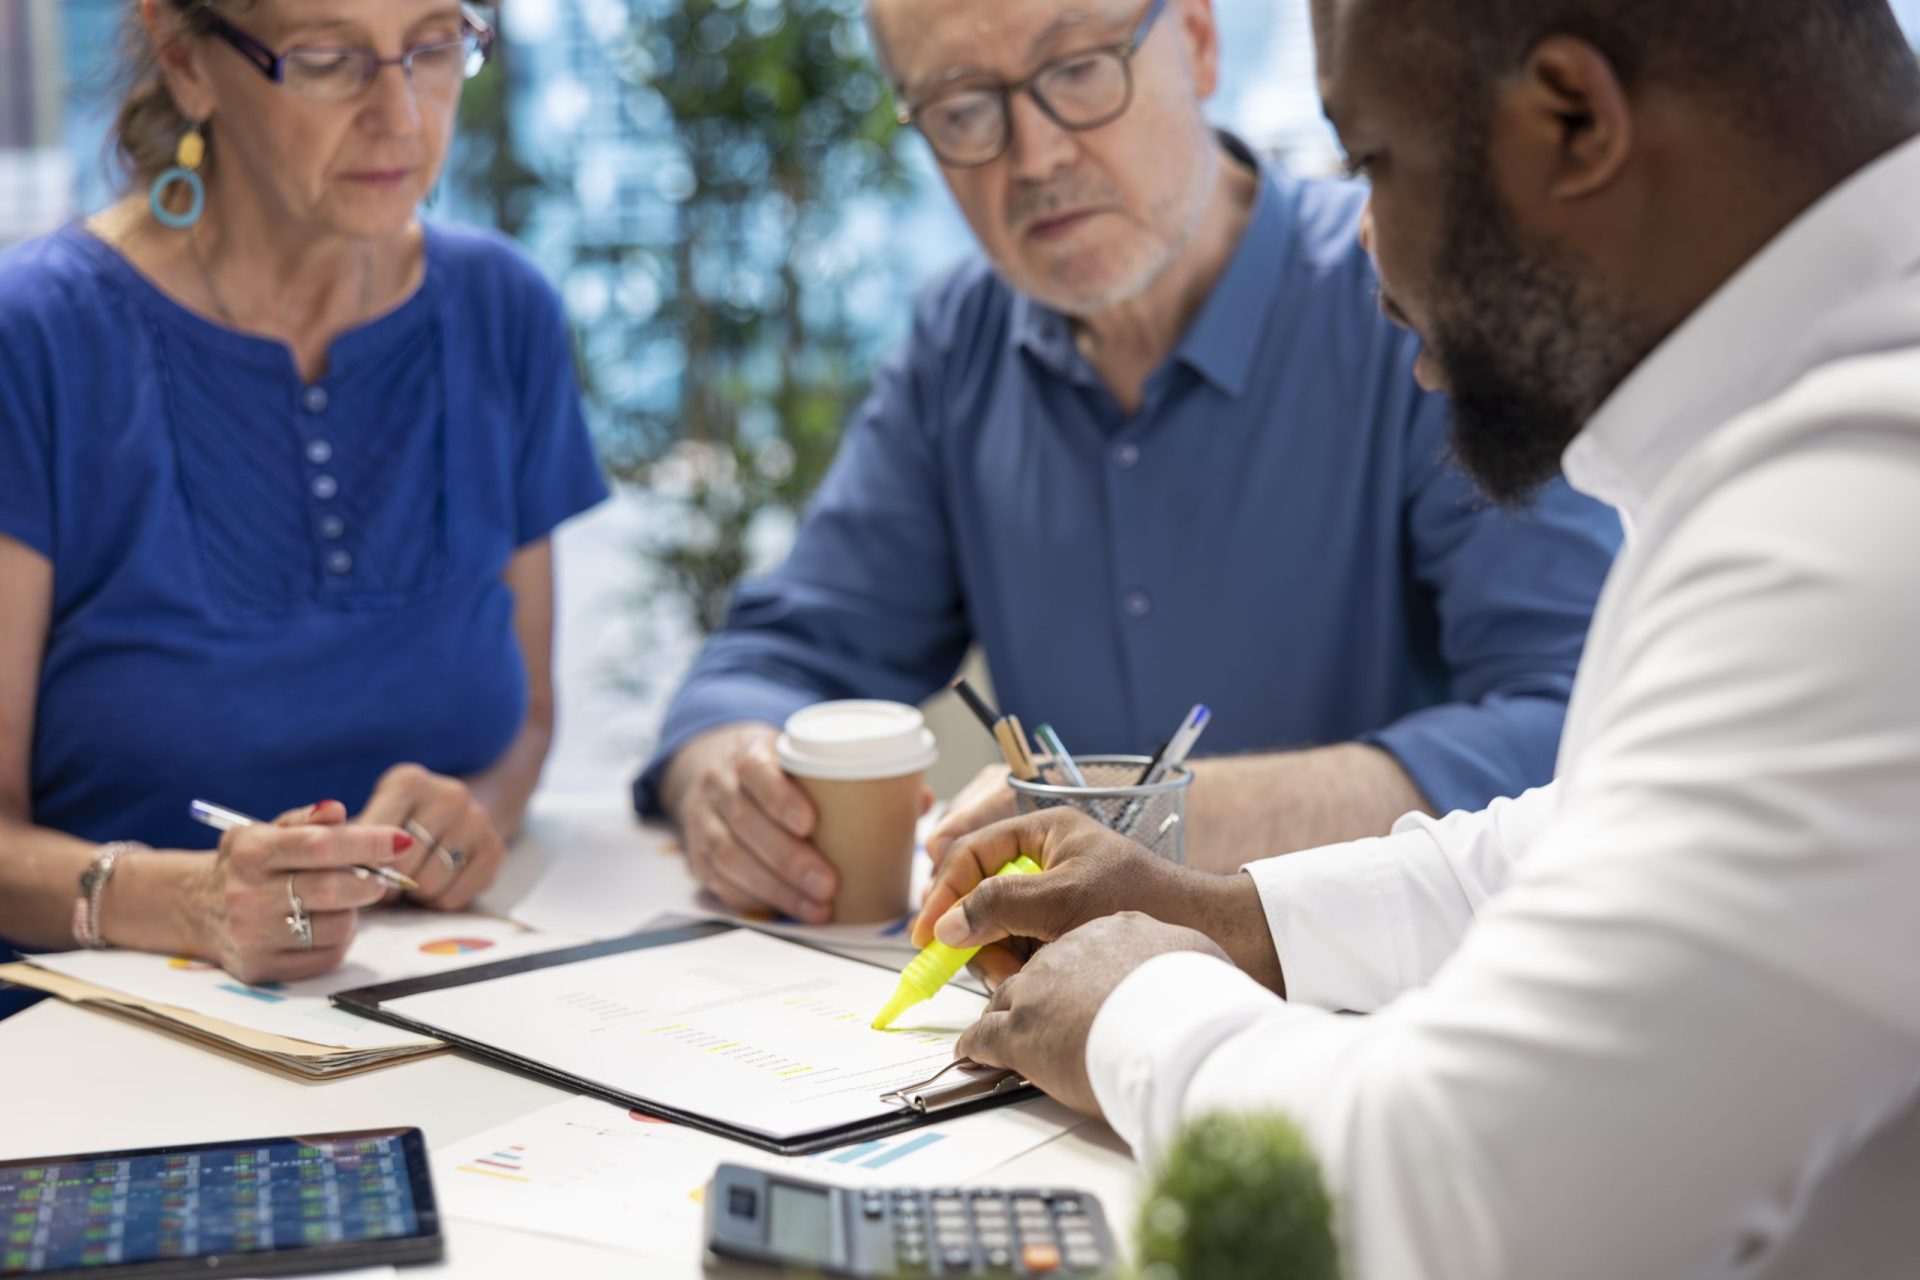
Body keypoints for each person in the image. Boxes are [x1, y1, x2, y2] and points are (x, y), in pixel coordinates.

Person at [911, 0, 1920, 1275]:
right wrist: (1224, 915)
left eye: (1374, 162)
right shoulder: (1823, 436)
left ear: (1574, 120)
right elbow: (1587, 839)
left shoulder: (1865, 507)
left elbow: (1463, 1204)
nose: (1371, 258)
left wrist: (1135, 1001)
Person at [634, 0, 1621, 923]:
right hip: (1078, 1017)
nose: (1035, 155)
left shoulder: (1413, 303)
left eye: (1078, 69)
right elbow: (776, 658)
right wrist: (729, 777)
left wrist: (1147, 819)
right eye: (963, 108)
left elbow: (1575, 729)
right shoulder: (960, 345)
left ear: (1198, 39)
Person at [0, 0, 606, 1002]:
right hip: (91, 1039)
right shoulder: (36, 337)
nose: (401, 116)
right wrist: (187, 900)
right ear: (186, 60)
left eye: (435, 46)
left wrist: (474, 817)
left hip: (426, 1007)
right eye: (328, 58)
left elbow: (528, 722)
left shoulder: (505, 310)